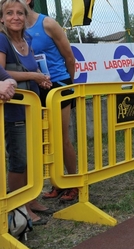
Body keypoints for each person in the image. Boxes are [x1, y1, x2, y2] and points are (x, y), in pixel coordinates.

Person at [0, 0, 53, 225]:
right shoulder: (2, 39)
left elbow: (31, 67)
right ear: (2, 18)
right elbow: (2, 71)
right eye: (9, 13)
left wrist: (41, 78)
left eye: (20, 13)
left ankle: (30, 200)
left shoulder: (27, 39)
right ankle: (19, 208)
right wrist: (34, 77)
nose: (15, 17)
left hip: (32, 108)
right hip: (14, 110)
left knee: (32, 157)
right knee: (19, 160)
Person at [25, 0, 78, 202]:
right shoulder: (14, 26)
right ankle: (57, 183)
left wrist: (67, 87)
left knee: (61, 137)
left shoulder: (47, 23)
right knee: (44, 140)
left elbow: (69, 57)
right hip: (35, 86)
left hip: (58, 85)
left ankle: (72, 183)